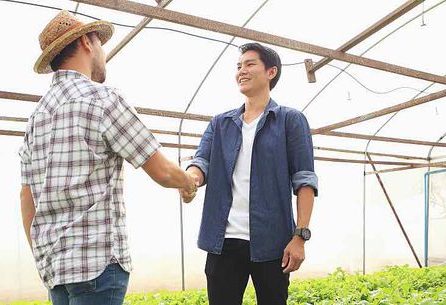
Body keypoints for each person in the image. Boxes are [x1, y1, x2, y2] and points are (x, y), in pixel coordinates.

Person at [18, 10, 198, 305]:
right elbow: (162, 171)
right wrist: (189, 182)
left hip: (54, 269)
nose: (103, 51)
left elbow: (27, 198)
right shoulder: (102, 99)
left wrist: (42, 257)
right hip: (96, 265)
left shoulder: (36, 117)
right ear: (87, 43)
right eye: (99, 43)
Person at [184, 42, 318, 305]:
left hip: (273, 242)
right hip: (224, 241)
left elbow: (304, 180)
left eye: (249, 64)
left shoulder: (290, 120)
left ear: (271, 72)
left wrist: (300, 236)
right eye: (238, 66)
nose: (241, 71)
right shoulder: (220, 123)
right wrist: (190, 178)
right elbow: (201, 161)